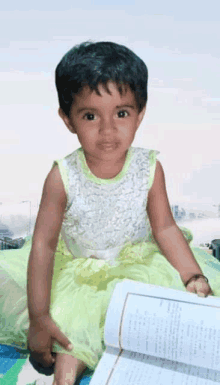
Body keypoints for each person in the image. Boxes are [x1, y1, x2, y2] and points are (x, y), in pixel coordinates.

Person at [0, 40, 220, 385]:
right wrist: (39, 317)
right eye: (90, 115)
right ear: (68, 119)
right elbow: (42, 245)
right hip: (76, 273)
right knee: (72, 331)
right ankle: (66, 374)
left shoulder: (149, 168)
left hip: (139, 267)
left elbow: (164, 228)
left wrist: (193, 276)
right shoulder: (62, 176)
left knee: (170, 321)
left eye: (121, 113)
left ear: (140, 113)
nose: (107, 129)